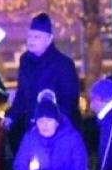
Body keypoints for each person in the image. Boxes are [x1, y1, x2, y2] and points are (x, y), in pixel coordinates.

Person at [5, 13, 81, 143]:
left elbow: (69, 100)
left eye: (37, 37)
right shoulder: (25, 61)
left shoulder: (63, 64)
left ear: (49, 39)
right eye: (30, 36)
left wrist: (54, 122)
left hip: (56, 131)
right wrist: (11, 116)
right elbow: (22, 94)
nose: (31, 40)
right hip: (32, 128)